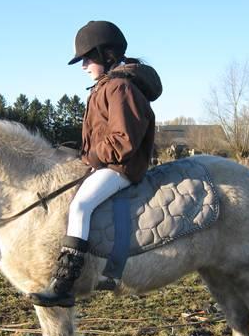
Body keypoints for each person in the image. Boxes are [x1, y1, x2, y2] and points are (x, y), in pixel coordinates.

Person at [30, 20, 162, 307]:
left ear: (107, 54)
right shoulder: (105, 87)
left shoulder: (119, 88)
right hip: (108, 164)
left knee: (80, 205)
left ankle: (65, 283)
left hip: (121, 168)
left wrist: (91, 157)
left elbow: (123, 139)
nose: (83, 65)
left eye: (87, 58)